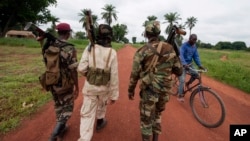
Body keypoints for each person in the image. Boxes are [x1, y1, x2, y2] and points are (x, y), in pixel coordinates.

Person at [128, 21, 183, 141]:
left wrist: (130, 90)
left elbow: (134, 74)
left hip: (150, 90)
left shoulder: (142, 51)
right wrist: (175, 55)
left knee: (146, 119)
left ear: (146, 34)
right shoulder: (170, 48)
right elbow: (179, 71)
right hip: (165, 91)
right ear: (158, 33)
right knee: (157, 114)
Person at [38, 22, 79, 141]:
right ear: (67, 33)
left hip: (51, 81)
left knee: (58, 105)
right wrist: (77, 86)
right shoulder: (69, 48)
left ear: (58, 32)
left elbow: (45, 60)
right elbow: (73, 70)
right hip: (65, 83)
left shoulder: (48, 45)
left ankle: (62, 128)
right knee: (67, 108)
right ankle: (54, 135)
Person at [77, 24, 119, 141]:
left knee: (87, 115)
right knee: (102, 105)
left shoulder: (89, 48)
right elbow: (114, 76)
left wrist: (90, 75)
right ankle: (100, 122)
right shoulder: (112, 52)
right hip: (104, 89)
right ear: (110, 37)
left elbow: (81, 68)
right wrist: (114, 95)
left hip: (90, 88)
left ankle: (84, 138)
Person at [177, 34, 205, 102]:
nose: (194, 41)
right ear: (189, 39)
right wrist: (184, 64)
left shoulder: (194, 47)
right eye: (193, 40)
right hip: (182, 65)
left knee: (196, 75)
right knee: (182, 80)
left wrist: (200, 65)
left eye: (195, 40)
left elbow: (196, 56)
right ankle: (180, 95)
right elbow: (181, 55)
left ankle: (188, 84)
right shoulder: (184, 46)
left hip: (189, 64)